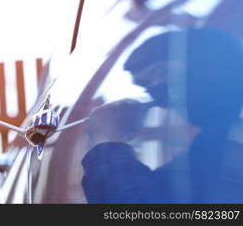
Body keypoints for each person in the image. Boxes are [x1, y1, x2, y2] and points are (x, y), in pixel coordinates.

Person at [82, 27, 243, 203]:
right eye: (146, 86)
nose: (156, 93)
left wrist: (108, 141)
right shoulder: (214, 141)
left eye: (165, 73)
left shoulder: (233, 143)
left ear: (210, 62)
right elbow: (166, 193)